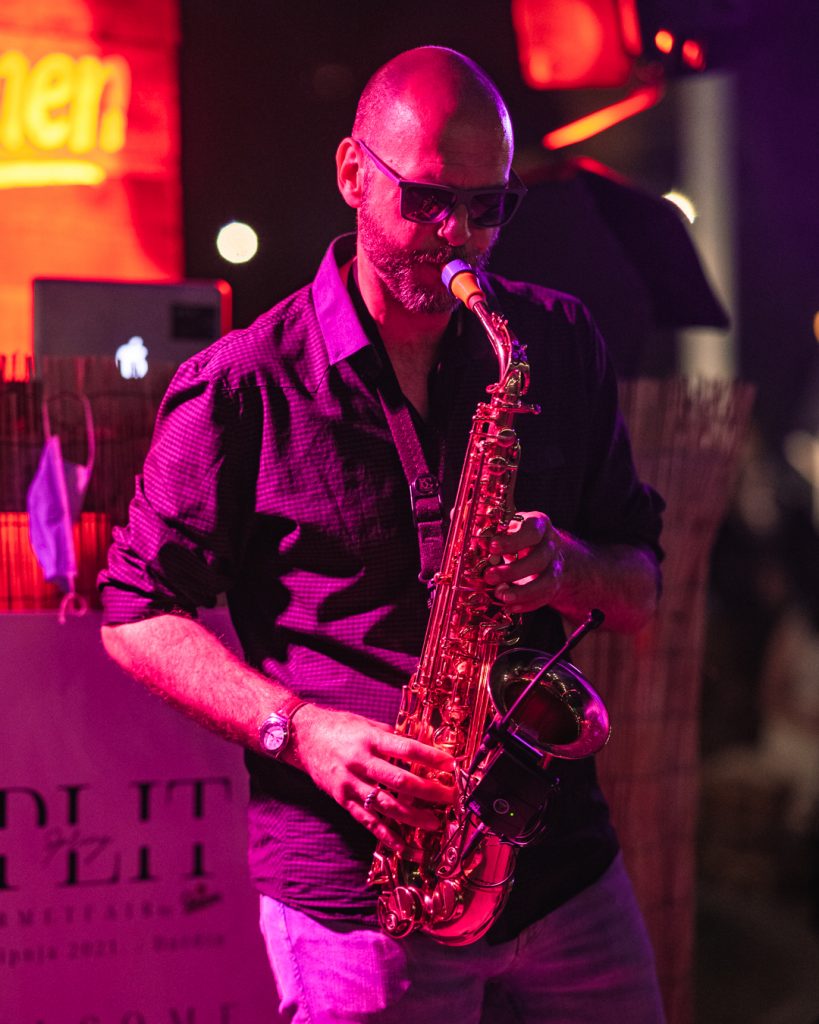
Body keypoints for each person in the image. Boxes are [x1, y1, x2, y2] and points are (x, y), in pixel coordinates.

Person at [100, 46, 666, 1024]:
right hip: (358, 897)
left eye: (487, 207)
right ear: (353, 174)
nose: (459, 238)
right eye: (429, 201)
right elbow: (132, 614)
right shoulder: (243, 384)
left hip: (561, 872)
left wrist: (569, 567)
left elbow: (640, 589)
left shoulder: (554, 342)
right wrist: (298, 729)